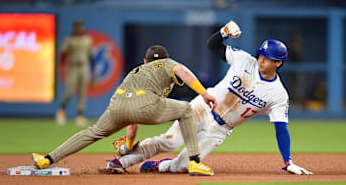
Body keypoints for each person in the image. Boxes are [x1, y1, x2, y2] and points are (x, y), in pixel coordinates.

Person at [106, 21, 313, 175]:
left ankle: (161, 165)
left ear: (278, 63)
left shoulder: (278, 94)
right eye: (261, 55)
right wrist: (223, 32)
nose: (261, 60)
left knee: (183, 167)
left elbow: (281, 128)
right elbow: (213, 46)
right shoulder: (243, 60)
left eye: (267, 58)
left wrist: (288, 162)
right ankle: (120, 163)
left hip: (221, 129)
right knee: (168, 142)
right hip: (203, 108)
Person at [32, 45, 217, 176]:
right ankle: (195, 162)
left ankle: (47, 159)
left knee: (92, 133)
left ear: (145, 61)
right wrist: (204, 93)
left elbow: (132, 117)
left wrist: (128, 145)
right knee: (185, 109)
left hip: (117, 105)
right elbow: (182, 71)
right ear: (165, 58)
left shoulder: (137, 71)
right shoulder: (167, 63)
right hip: (146, 104)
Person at [56, 19, 94, 127]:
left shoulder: (87, 39)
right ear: (74, 28)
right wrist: (62, 67)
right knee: (69, 91)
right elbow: (63, 54)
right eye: (77, 27)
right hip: (73, 66)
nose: (78, 29)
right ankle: (61, 111)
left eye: (80, 26)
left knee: (82, 92)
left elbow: (91, 56)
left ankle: (80, 115)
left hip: (83, 66)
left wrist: (93, 71)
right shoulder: (69, 40)